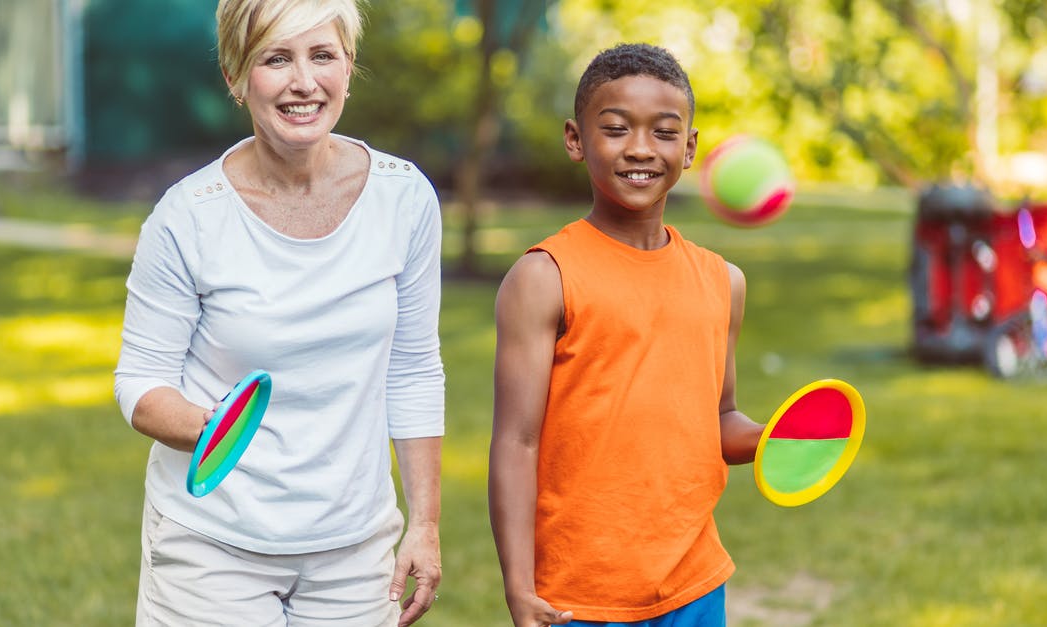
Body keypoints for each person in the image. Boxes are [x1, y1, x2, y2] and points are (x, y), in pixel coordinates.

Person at [113, 1, 444, 625]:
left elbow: (415, 370)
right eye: (276, 58)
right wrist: (215, 429)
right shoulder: (187, 217)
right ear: (237, 78)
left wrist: (423, 527)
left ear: (348, 69)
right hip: (212, 543)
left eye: (323, 56)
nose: (303, 82)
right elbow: (139, 381)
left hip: (355, 546)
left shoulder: (404, 198)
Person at [489, 43, 765, 627]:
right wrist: (519, 585)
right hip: (577, 595)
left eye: (664, 132)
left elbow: (721, 419)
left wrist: (778, 439)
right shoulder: (544, 277)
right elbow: (517, 443)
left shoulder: (723, 282)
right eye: (615, 129)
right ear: (575, 139)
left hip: (692, 582)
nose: (640, 148)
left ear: (689, 148)